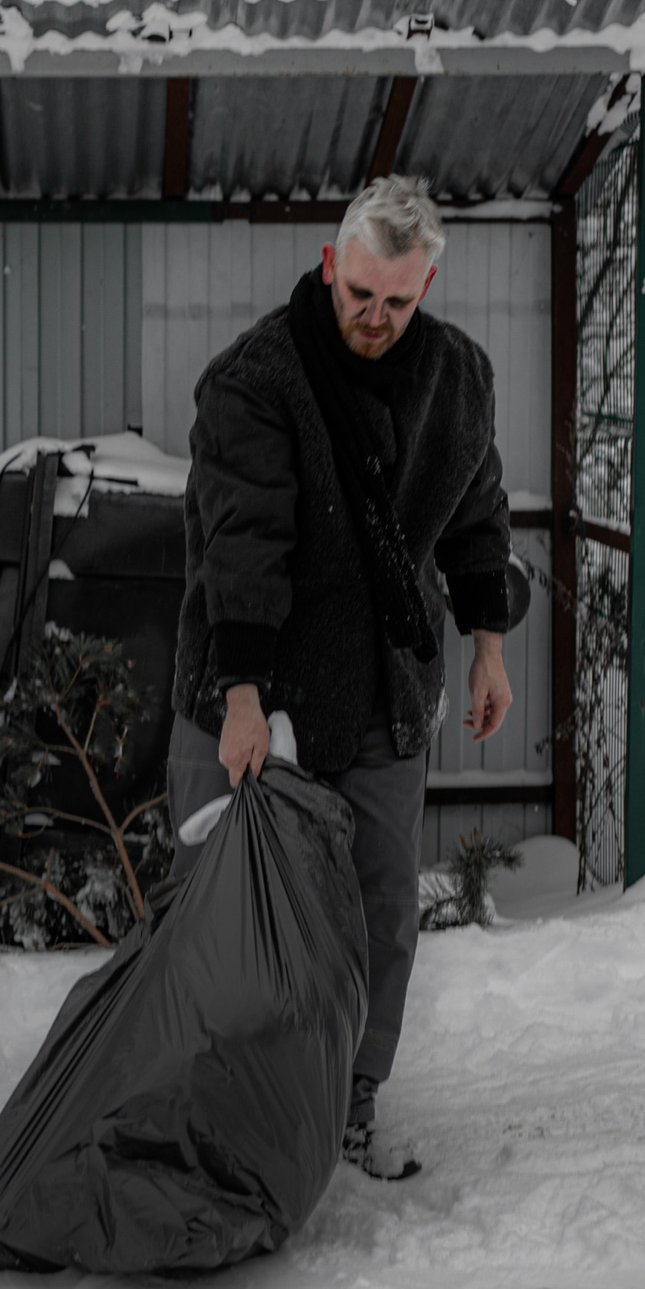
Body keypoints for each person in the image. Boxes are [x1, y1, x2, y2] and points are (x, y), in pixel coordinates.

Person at [167, 174, 515, 1181]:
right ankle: (213, 1107)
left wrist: (487, 643)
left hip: (378, 686)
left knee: (376, 910)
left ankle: (347, 1103)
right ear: (331, 264)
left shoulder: (457, 376)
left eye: (395, 302)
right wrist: (240, 700)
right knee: (219, 906)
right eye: (359, 293)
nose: (373, 318)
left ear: (426, 285)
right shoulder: (254, 381)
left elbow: (477, 511)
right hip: (247, 684)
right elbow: (240, 546)